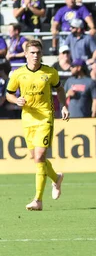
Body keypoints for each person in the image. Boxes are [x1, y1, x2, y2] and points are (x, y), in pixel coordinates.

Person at [5, 39, 70, 211]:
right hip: (27, 118)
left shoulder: (50, 72)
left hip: (45, 118)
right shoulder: (18, 74)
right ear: (25, 54)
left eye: (38, 53)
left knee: (40, 156)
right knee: (36, 158)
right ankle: (56, 178)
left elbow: (60, 89)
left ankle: (38, 200)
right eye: (32, 52)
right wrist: (16, 100)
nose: (35, 56)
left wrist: (63, 106)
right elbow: (9, 94)